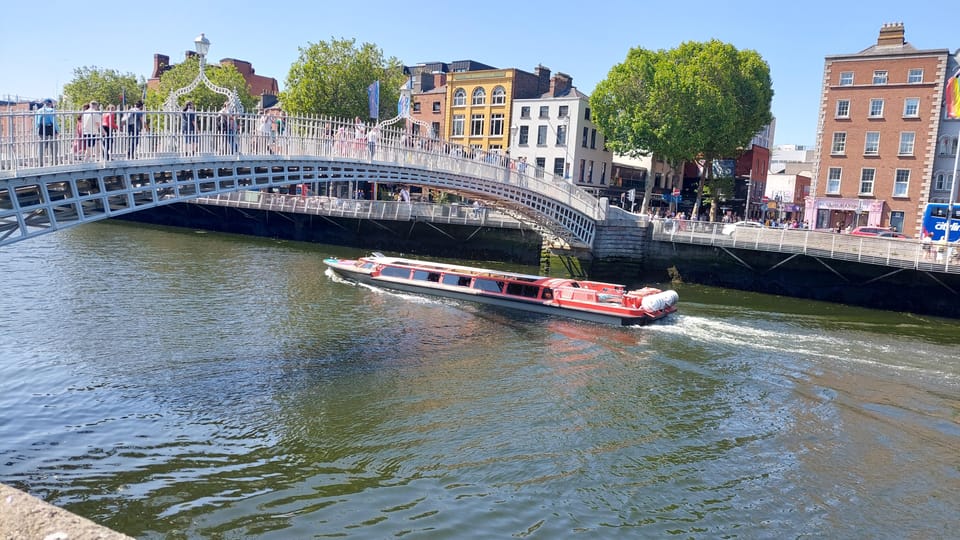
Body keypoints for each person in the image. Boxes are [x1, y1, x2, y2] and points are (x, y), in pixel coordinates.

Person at [34, 99, 58, 166]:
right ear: (50, 104)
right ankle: (53, 162)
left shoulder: (39, 111)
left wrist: (37, 129)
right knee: (53, 147)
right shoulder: (51, 110)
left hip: (41, 128)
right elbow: (54, 122)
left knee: (41, 147)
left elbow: (36, 122)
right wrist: (57, 130)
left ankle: (40, 162)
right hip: (50, 128)